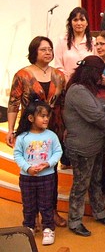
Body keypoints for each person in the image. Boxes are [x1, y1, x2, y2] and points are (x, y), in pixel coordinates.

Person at [6, 36, 67, 228]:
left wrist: (66, 128)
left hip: (54, 127)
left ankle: (52, 211)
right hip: (29, 128)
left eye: (50, 49)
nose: (48, 52)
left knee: (51, 172)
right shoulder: (22, 75)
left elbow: (64, 104)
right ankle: (33, 216)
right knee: (30, 168)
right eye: (43, 49)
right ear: (34, 52)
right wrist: (10, 130)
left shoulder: (58, 75)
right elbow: (14, 104)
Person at [64, 55, 105, 236]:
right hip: (82, 147)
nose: (101, 77)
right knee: (81, 185)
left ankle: (100, 213)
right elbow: (97, 118)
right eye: (99, 73)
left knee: (96, 182)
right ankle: (74, 221)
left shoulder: (86, 89)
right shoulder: (78, 90)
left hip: (95, 145)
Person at [14, 100, 62, 245]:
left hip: (47, 177)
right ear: (31, 118)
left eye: (47, 116)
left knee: (46, 204)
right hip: (27, 178)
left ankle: (48, 228)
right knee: (28, 205)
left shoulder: (51, 136)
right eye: (42, 116)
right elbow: (17, 155)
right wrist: (27, 168)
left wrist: (48, 164)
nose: (46, 119)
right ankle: (29, 226)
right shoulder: (23, 137)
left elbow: (58, 151)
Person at [55, 7, 96, 82]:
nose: (79, 23)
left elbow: (97, 65)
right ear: (70, 22)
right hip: (67, 84)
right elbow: (58, 67)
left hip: (88, 85)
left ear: (87, 23)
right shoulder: (62, 41)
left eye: (82, 20)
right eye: (75, 20)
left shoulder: (93, 41)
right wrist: (68, 81)